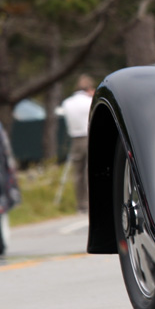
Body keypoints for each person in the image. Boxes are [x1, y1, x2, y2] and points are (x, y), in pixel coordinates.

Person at [58, 74, 95, 214]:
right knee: (89, 171)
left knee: (77, 173)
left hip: (75, 139)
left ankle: (81, 204)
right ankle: (91, 201)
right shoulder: (89, 100)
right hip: (88, 136)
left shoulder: (67, 103)